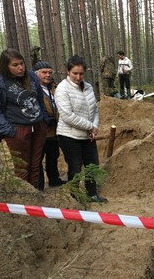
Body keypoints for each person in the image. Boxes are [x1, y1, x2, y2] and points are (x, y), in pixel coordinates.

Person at [0, 48, 48, 187]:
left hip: (38, 127)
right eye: (15, 65)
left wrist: (44, 119)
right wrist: (9, 130)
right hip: (17, 129)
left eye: (21, 63)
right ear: (6, 66)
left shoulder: (32, 76)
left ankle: (35, 199)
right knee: (21, 167)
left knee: (35, 165)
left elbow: (40, 99)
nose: (20, 67)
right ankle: (23, 199)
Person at [55, 55, 107, 203]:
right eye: (75, 73)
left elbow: (95, 110)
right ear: (68, 72)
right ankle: (75, 197)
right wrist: (90, 126)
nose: (78, 77)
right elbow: (67, 116)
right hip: (69, 136)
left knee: (92, 165)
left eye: (81, 73)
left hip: (88, 135)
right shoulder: (62, 89)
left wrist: (95, 127)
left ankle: (92, 194)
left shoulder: (88, 87)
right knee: (75, 168)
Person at [34, 61, 66, 190]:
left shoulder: (55, 88)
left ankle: (54, 179)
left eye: (50, 72)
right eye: (44, 72)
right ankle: (39, 184)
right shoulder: (32, 88)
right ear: (36, 74)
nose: (48, 75)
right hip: (39, 131)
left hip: (54, 130)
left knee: (53, 155)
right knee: (38, 158)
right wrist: (44, 118)